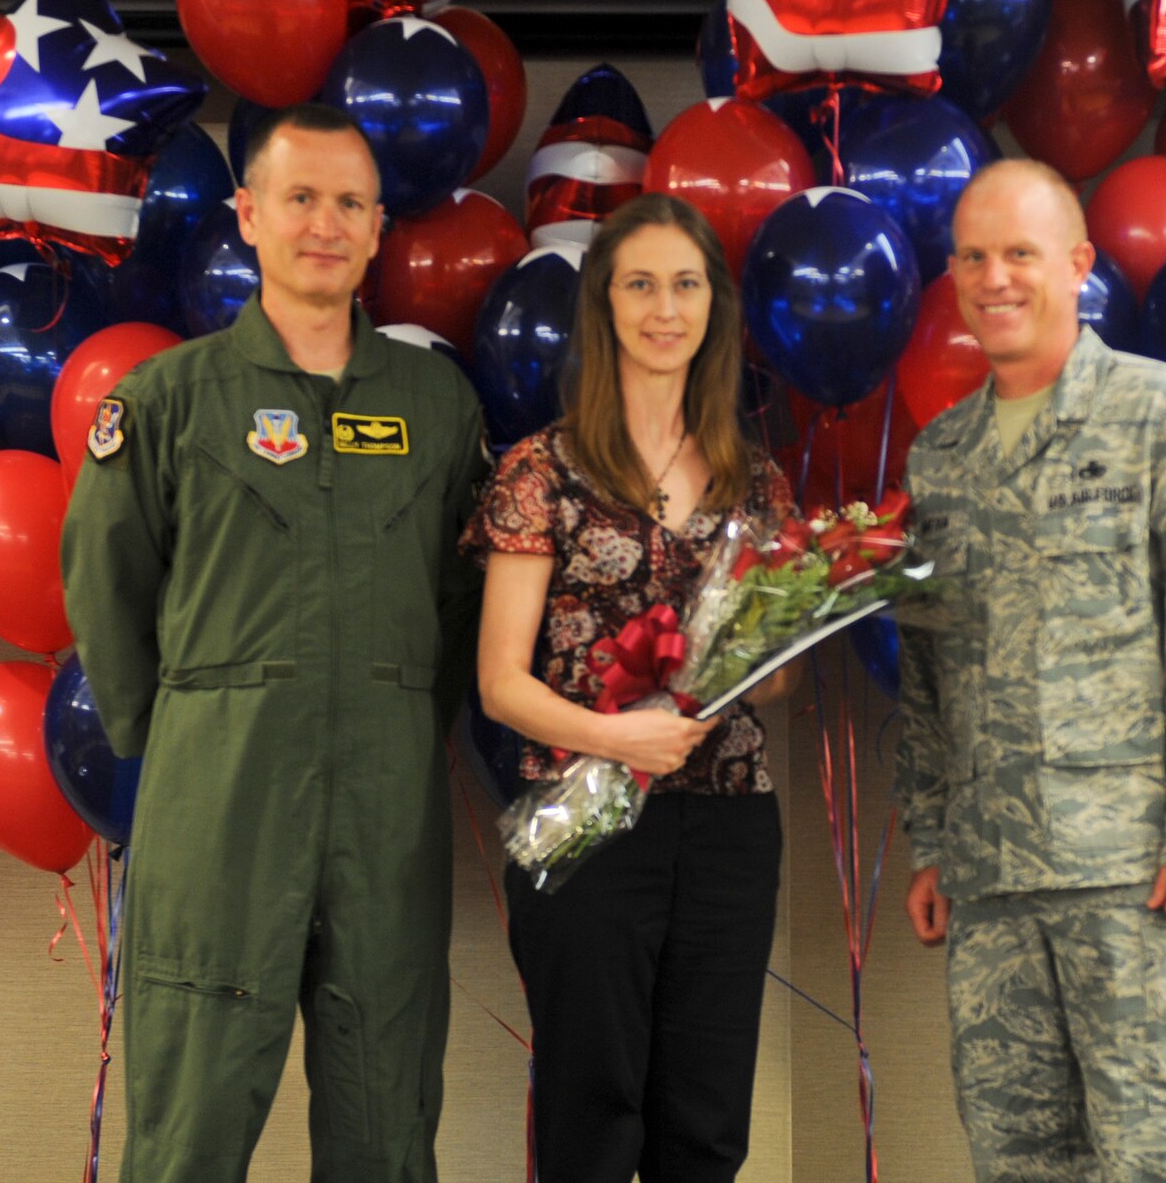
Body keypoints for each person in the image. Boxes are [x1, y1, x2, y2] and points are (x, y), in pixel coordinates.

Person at [60, 102, 490, 1183]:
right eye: (300, 198)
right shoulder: (169, 400)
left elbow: (461, 600)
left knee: (387, 1129)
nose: (324, 224)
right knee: (189, 1128)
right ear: (248, 214)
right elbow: (105, 583)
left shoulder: (437, 406)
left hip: (388, 815)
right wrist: (189, 736)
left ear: (380, 227)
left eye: (349, 203)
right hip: (220, 802)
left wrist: (398, 716)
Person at [894, 159, 1166, 1183]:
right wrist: (932, 837)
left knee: (1151, 1162)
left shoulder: (1162, 417)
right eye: (973, 258)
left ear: (1077, 265)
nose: (994, 279)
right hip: (990, 882)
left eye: (1019, 254)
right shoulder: (940, 458)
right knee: (1016, 1164)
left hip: (1135, 878)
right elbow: (926, 671)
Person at [463, 192, 798, 1183]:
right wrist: (618, 737)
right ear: (604, 305)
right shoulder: (540, 471)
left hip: (729, 820)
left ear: (713, 306)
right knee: (592, 1116)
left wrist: (737, 667)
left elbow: (778, 679)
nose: (664, 308)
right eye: (640, 284)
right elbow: (498, 683)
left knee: (707, 1122)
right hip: (586, 818)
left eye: (685, 284)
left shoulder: (756, 482)